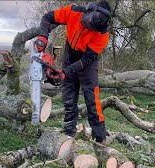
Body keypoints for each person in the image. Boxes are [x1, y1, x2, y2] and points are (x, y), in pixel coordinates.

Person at [35, 0, 111, 143]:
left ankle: (100, 138)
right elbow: (48, 17)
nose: (89, 28)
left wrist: (66, 71)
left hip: (87, 61)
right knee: (69, 92)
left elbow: (88, 59)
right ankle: (69, 132)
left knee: (91, 98)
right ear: (89, 10)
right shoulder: (73, 11)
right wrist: (43, 36)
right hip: (70, 52)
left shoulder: (102, 34)